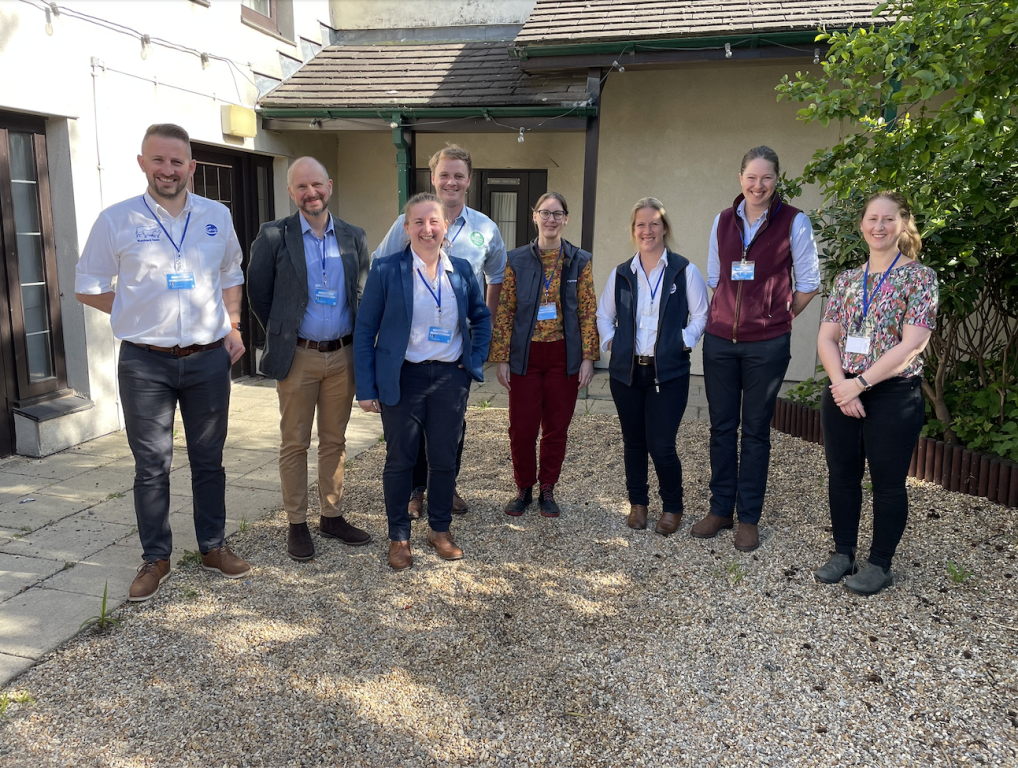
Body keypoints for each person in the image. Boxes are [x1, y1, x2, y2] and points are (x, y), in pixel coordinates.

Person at [75, 123, 250, 602]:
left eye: (177, 161)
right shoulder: (116, 220)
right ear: (142, 163)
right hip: (144, 364)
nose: (167, 170)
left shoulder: (217, 215)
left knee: (209, 460)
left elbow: (231, 272)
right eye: (158, 160)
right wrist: (134, 311)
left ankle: (213, 547)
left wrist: (233, 325)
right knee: (151, 465)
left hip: (207, 359)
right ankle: (156, 558)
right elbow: (88, 286)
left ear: (191, 166)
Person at [692, 145, 821, 552]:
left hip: (766, 345)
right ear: (740, 178)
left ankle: (748, 517)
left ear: (777, 180)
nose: (758, 185)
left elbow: (809, 283)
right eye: (751, 177)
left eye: (766, 178)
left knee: (755, 432)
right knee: (721, 428)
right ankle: (720, 509)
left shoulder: (794, 222)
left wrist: (777, 316)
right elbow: (716, 278)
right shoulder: (722, 221)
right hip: (720, 342)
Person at [354, 193, 492, 571]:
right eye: (418, 222)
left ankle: (439, 530)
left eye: (434, 221)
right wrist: (366, 387)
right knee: (400, 460)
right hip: (403, 377)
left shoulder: (461, 270)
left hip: (450, 378)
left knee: (444, 459)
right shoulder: (387, 270)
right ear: (407, 228)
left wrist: (473, 361)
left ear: (445, 226)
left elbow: (481, 318)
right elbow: (365, 330)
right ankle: (399, 537)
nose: (427, 229)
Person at [247, 157, 372, 562]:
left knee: (334, 440)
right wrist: (283, 333)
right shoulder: (273, 236)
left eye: (316, 184)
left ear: (329, 186)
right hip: (298, 355)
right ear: (291, 192)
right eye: (301, 187)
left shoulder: (353, 236)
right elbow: (258, 294)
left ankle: (331, 516)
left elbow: (360, 290)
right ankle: (297, 523)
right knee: (295, 443)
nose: (310, 193)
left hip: (342, 356)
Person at [373, 145, 506, 518]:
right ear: (433, 178)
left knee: (452, 424)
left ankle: (444, 488)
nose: (451, 182)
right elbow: (381, 265)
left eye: (458, 175)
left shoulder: (485, 229)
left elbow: (496, 277)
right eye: (444, 174)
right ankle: (416, 490)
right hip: (413, 350)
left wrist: (482, 334)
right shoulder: (412, 221)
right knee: (413, 425)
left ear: (469, 180)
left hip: (455, 350)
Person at [815, 191, 937, 595]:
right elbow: (827, 337)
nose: (879, 226)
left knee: (887, 484)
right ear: (862, 225)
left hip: (892, 393)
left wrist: (861, 384)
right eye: (872, 219)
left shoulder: (920, 277)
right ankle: (843, 553)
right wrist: (842, 386)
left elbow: (913, 343)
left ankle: (880, 564)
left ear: (903, 224)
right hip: (843, 389)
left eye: (888, 219)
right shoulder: (847, 280)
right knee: (842, 476)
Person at [596, 198, 709, 535]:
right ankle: (638, 504)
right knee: (633, 442)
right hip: (627, 373)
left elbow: (701, 316)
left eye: (654, 223)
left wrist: (682, 341)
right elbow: (604, 315)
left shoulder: (684, 271)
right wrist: (612, 341)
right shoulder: (621, 273)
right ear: (633, 231)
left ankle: (672, 506)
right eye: (640, 225)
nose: (647, 230)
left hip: (668, 374)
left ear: (665, 228)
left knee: (661, 444)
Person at [490, 192, 599, 517]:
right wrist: (502, 358)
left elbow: (587, 311)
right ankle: (524, 487)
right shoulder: (516, 260)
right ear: (534, 216)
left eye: (557, 214)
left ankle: (547, 487)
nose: (551, 219)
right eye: (545, 213)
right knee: (522, 428)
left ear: (566, 219)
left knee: (556, 428)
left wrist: (588, 357)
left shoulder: (579, 260)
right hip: (526, 355)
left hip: (563, 356)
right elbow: (506, 310)